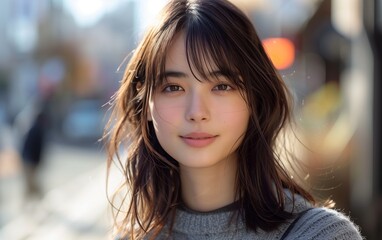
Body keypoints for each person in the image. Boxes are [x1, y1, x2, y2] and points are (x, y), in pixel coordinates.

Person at [105, 0, 363, 239]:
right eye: (173, 87)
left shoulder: (319, 235)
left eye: (221, 86)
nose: (197, 111)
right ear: (145, 103)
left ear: (255, 99)